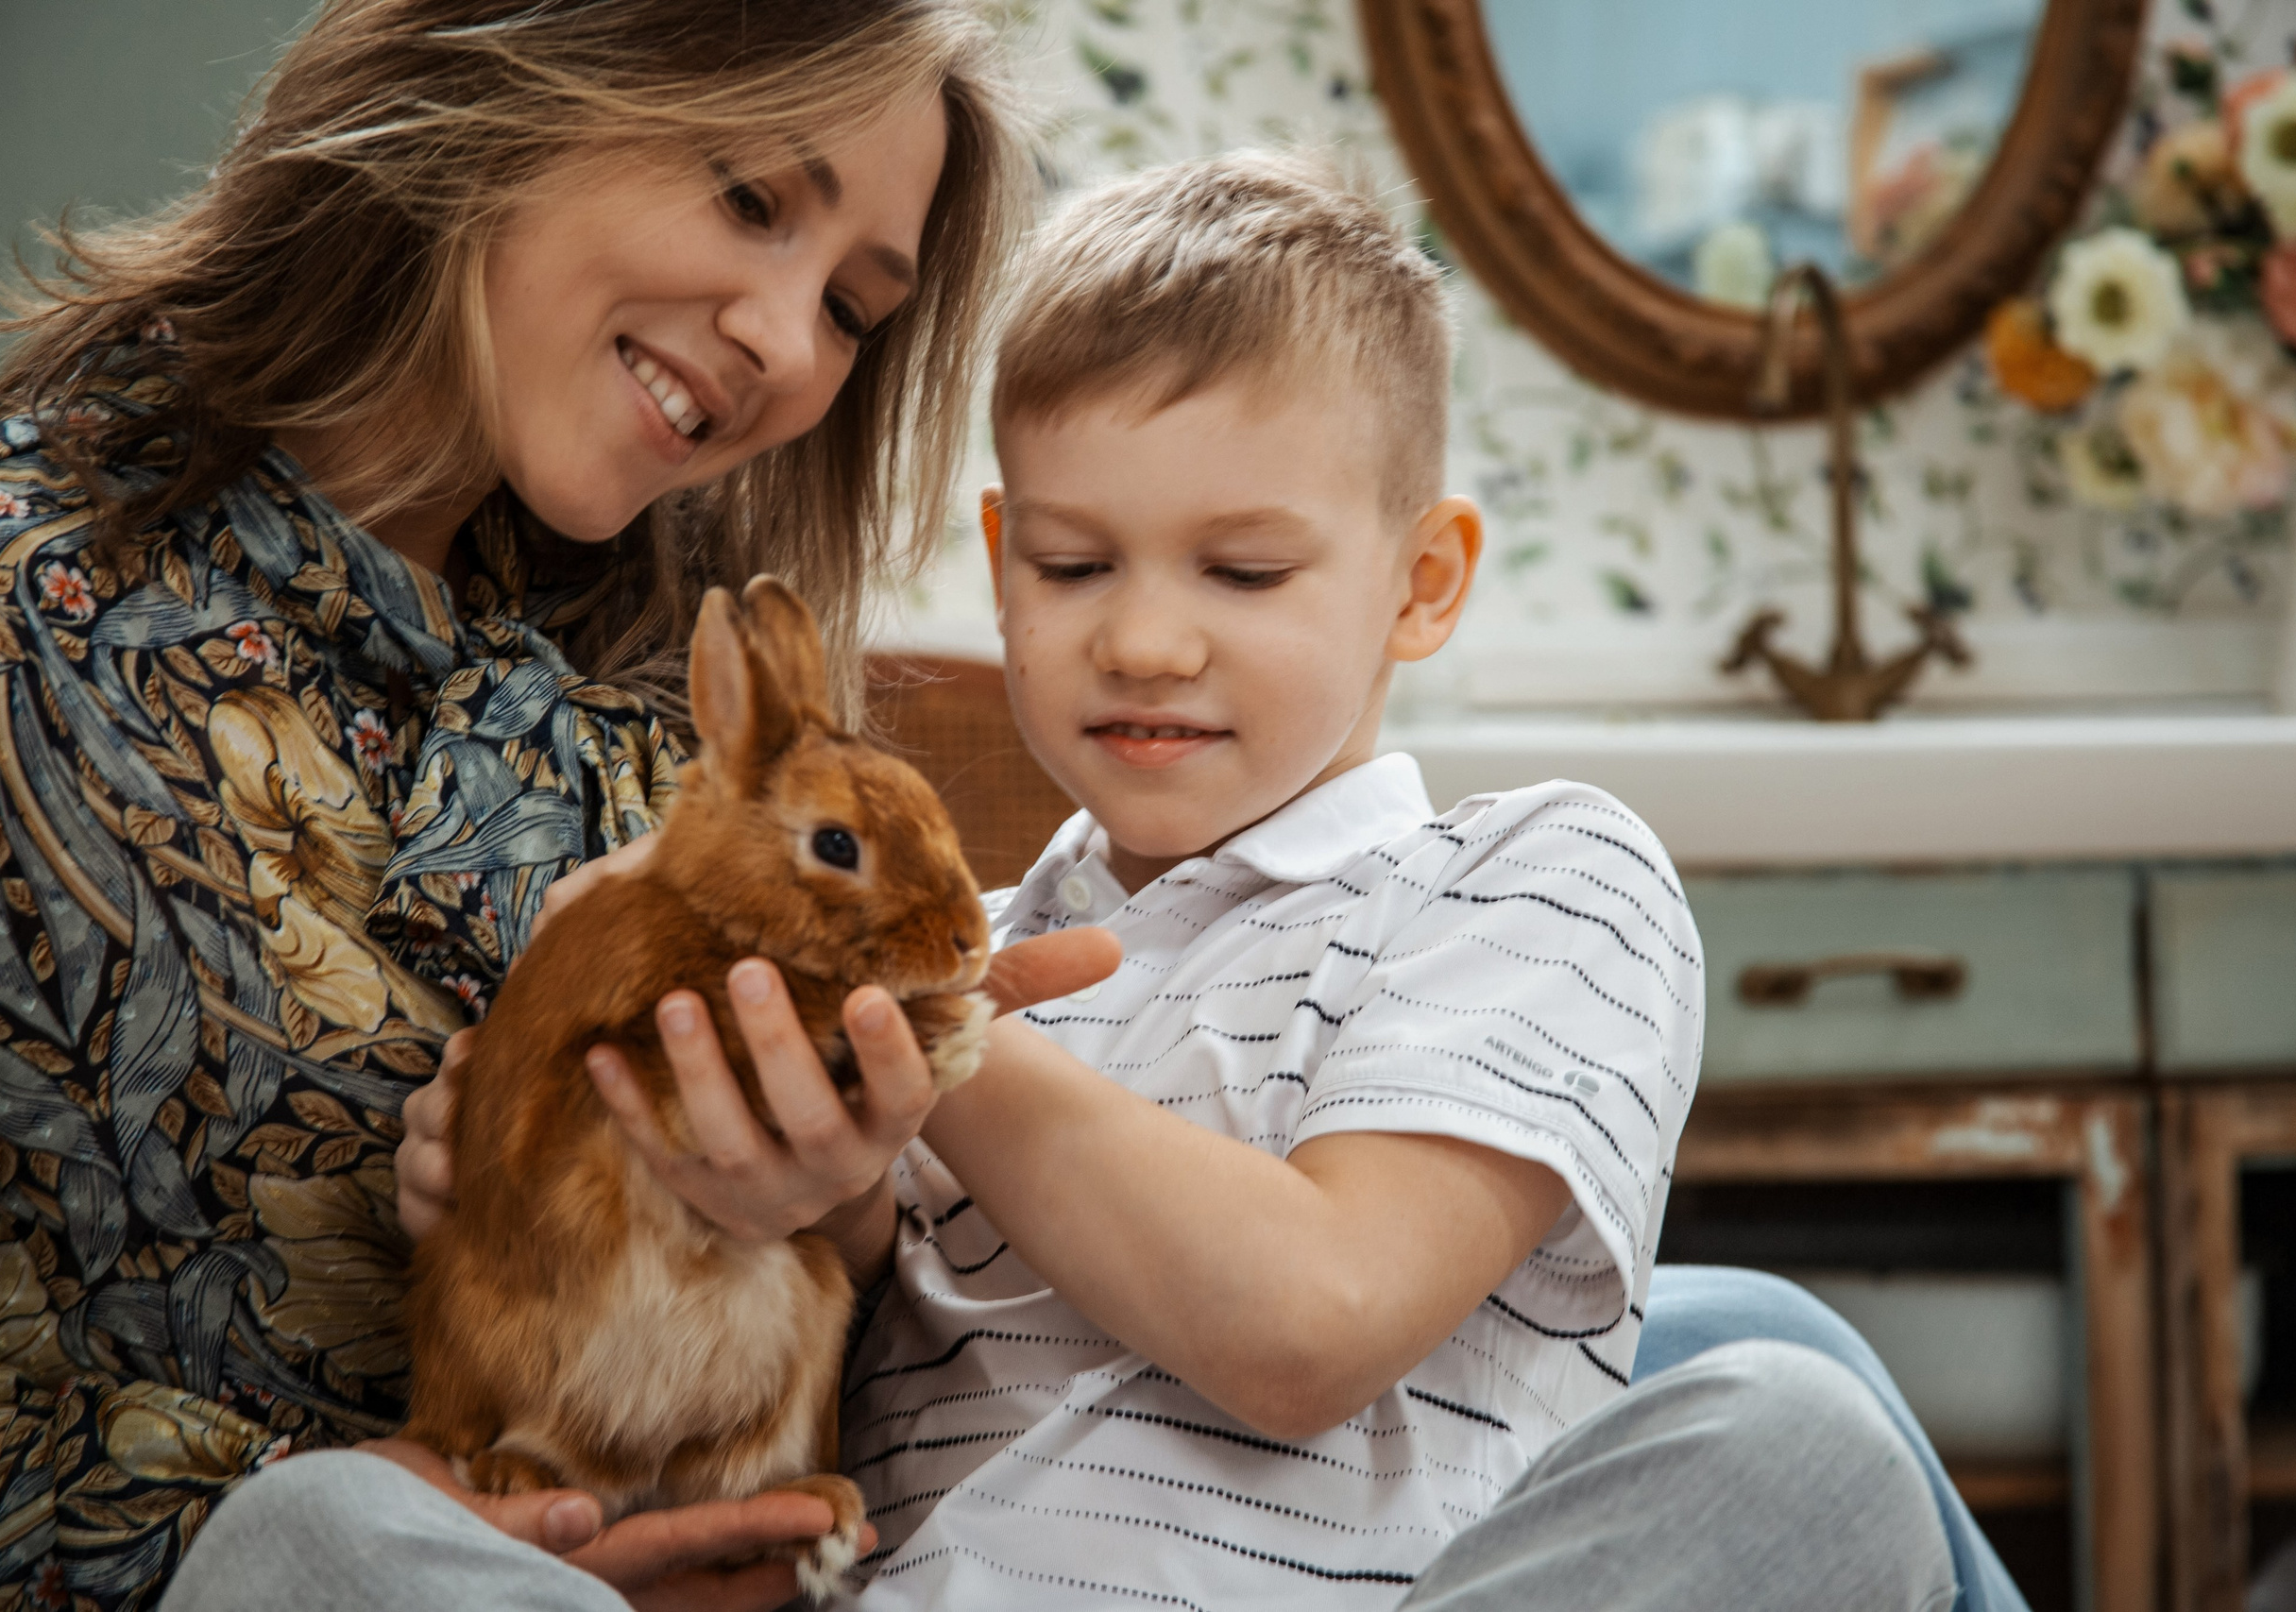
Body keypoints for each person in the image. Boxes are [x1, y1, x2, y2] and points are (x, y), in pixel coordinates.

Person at [296, 152, 1996, 1610]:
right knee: (317, 1533)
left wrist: (928, 1025)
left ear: (1421, 586)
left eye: (1244, 570)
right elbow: (831, 1307)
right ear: (1000, 566)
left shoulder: (1538, 881)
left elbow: (1309, 1327)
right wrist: (631, 1139)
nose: (1146, 637)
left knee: (1799, 1438)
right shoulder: (999, 934)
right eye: (1073, 562)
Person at [0, 2, 1125, 1605]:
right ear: (513, 86)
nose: (782, 339)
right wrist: (301, 1529)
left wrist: (819, 1199)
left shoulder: (661, 709)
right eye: (753, 198)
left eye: (848, 306)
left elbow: (835, 1336)